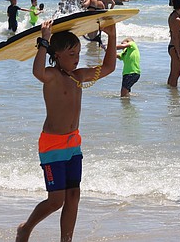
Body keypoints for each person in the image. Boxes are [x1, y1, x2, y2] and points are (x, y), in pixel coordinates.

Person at [15, 19, 117, 242]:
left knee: (73, 196)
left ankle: (66, 240)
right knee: (55, 200)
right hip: (52, 145)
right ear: (57, 55)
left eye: (78, 53)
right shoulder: (51, 75)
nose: (77, 58)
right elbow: (37, 72)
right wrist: (44, 39)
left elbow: (109, 68)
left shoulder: (78, 77)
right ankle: (26, 228)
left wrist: (111, 34)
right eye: (71, 54)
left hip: (73, 145)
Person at [167, 0, 180, 87]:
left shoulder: (175, 16)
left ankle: (171, 92)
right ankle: (173, 96)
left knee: (174, 74)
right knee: (175, 74)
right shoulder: (176, 19)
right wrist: (179, 52)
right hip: (176, 47)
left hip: (176, 47)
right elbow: (174, 36)